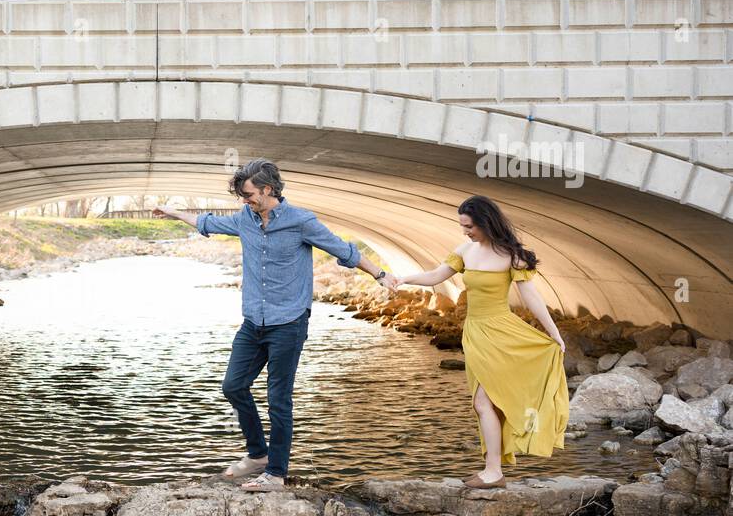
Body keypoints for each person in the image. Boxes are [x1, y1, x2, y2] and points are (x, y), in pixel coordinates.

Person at [155, 159, 394, 491]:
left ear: (268, 190)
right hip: (253, 321)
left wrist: (380, 274)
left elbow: (344, 250)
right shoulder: (245, 219)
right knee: (233, 386)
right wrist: (175, 212)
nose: (244, 201)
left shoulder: (301, 221)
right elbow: (210, 223)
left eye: (249, 194)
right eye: (241, 196)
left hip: (288, 323)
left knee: (278, 398)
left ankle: (276, 474)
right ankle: (258, 454)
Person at [391, 194, 569, 488]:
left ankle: (494, 470)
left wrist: (554, 333)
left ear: (486, 222)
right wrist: (404, 278)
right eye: (462, 226)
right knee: (485, 403)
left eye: (470, 226)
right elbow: (436, 275)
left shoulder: (511, 256)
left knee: (483, 402)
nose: (465, 232)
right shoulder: (465, 251)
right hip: (474, 333)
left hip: (502, 332)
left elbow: (531, 297)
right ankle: (493, 468)